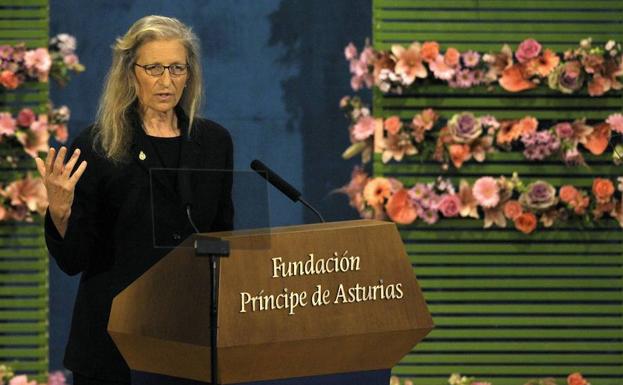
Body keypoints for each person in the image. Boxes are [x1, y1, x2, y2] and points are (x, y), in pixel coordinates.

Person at [36, 16, 233, 385]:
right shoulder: (98, 145)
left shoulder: (214, 143)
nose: (166, 80)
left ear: (189, 75)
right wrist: (61, 213)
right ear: (131, 73)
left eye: (176, 68)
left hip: (187, 341)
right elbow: (75, 260)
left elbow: (223, 237)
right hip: (111, 345)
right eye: (154, 68)